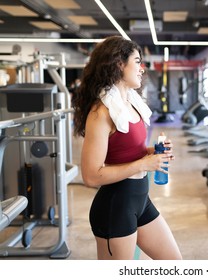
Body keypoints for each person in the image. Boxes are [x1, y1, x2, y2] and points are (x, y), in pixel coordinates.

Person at [72, 36, 182, 260]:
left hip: (140, 199)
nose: (142, 68)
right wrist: (143, 163)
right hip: (116, 206)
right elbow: (91, 176)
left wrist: (152, 152)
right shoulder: (101, 112)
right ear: (119, 64)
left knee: (174, 263)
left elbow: (128, 151)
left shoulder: (131, 103)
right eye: (137, 61)